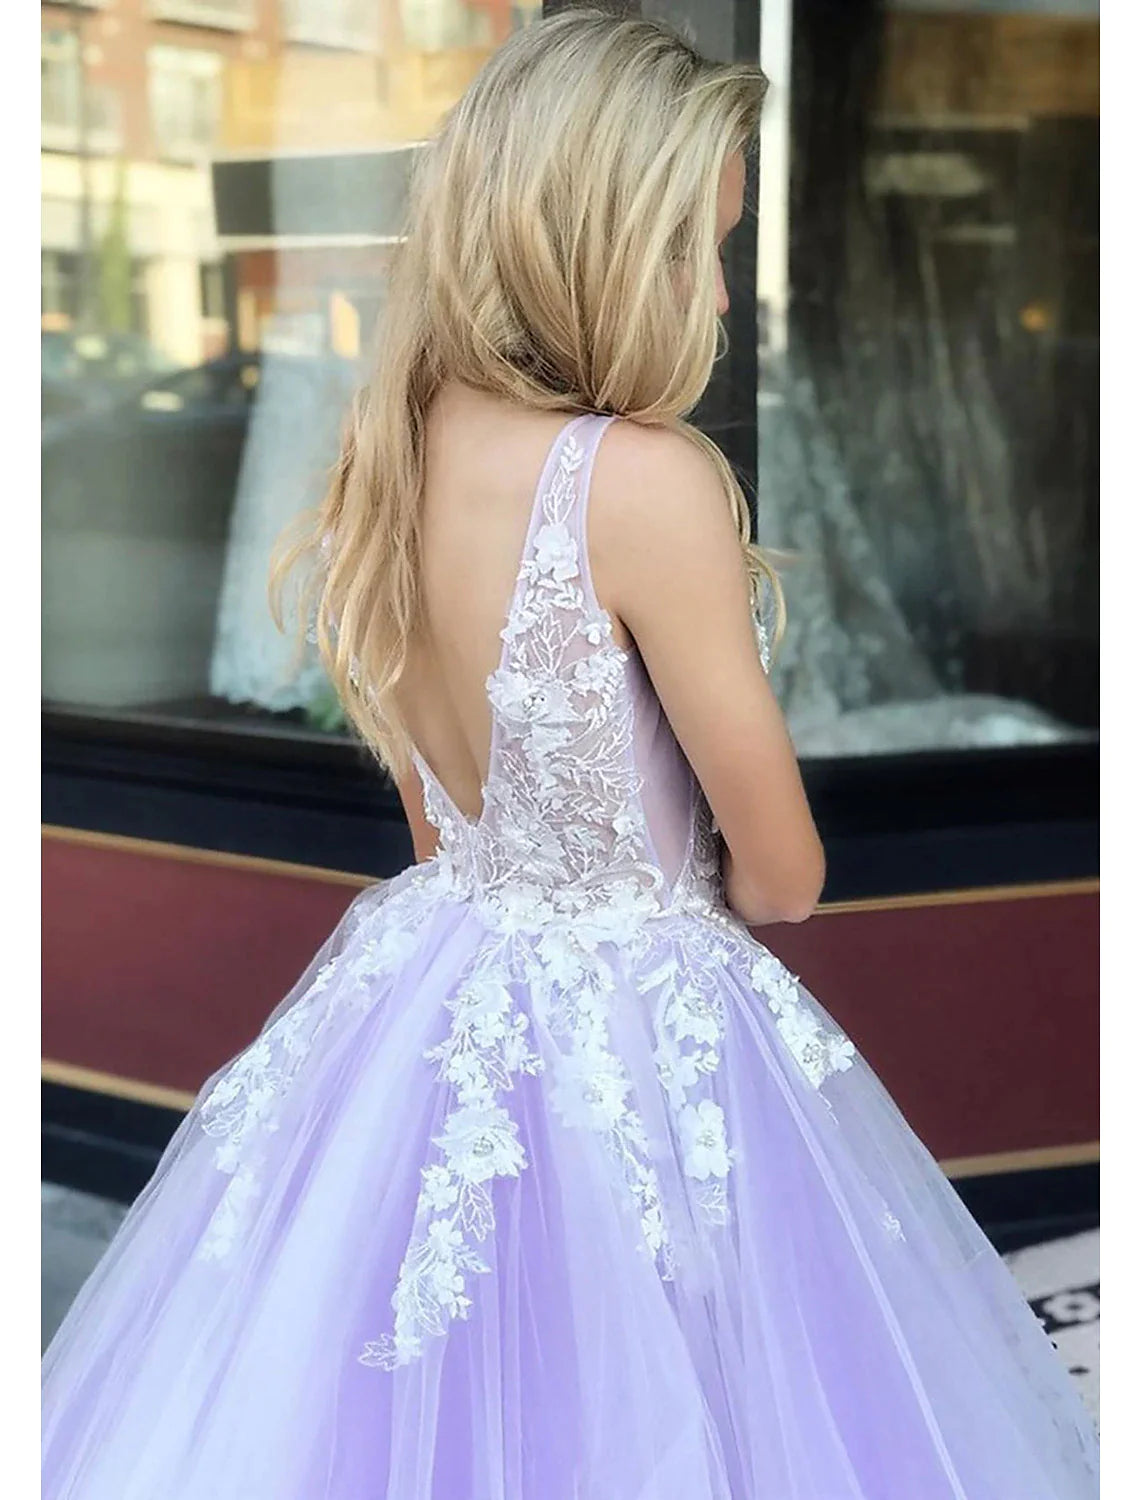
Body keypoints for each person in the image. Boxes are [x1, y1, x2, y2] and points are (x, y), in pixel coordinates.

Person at [42, 11, 1099, 1497]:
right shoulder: (643, 481)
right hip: (636, 1024)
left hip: (428, 995)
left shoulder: (393, 455)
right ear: (594, 242)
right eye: (694, 250)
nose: (717, 296)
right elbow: (785, 877)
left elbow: (438, 836)